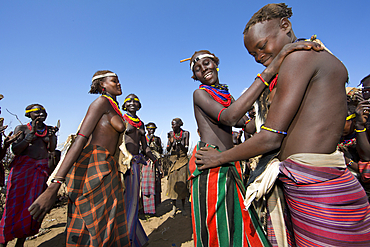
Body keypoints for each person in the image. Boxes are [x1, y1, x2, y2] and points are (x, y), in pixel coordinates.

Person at [195, 3, 370, 246]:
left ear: (285, 26)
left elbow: (270, 137)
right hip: (308, 185)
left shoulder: (300, 57)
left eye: (262, 46)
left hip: (318, 191)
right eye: (253, 54)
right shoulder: (300, 60)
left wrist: (219, 158)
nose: (259, 57)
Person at [28, 71, 131, 247]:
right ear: (102, 85)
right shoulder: (100, 103)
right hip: (94, 168)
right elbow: (81, 138)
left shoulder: (113, 107)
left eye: (119, 81)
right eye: (114, 81)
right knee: (94, 225)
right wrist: (54, 186)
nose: (119, 84)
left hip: (108, 169)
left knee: (108, 224)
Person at [0, 104, 57, 247]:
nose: (41, 113)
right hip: (22, 171)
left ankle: (20, 243)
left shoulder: (48, 130)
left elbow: (51, 149)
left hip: (39, 172)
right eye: (37, 112)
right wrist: (29, 137)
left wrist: (51, 137)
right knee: (14, 206)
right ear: (29, 114)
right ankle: (3, 241)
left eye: (43, 111)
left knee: (33, 206)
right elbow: (16, 150)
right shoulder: (22, 129)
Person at [122, 94, 159, 247]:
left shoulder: (141, 124)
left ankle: (134, 239)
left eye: (136, 101)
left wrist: (155, 159)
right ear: (124, 105)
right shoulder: (121, 119)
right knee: (125, 201)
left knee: (133, 202)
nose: (133, 103)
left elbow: (145, 147)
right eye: (129, 101)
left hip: (136, 164)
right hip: (124, 164)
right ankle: (126, 239)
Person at [166, 118, 189, 217]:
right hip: (173, 160)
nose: (172, 126)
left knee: (183, 183)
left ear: (179, 125)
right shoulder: (171, 134)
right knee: (173, 184)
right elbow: (168, 149)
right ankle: (174, 207)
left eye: (174, 124)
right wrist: (171, 142)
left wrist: (180, 144)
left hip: (183, 160)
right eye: (171, 124)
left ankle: (183, 207)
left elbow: (186, 148)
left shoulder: (185, 133)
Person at [142, 122, 163, 215]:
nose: (152, 130)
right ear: (147, 129)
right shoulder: (143, 138)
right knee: (145, 185)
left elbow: (161, 150)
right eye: (150, 129)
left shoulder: (157, 139)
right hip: (145, 163)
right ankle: (145, 209)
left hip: (155, 163)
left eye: (153, 129)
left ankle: (154, 208)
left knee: (156, 184)